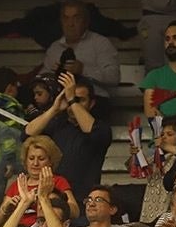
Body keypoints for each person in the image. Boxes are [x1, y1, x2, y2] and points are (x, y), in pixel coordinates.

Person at [24, 72, 112, 205]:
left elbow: (95, 133)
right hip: (51, 200)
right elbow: (27, 135)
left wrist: (72, 100)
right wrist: (54, 108)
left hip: (83, 202)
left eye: (79, 100)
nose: (72, 104)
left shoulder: (100, 127)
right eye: (70, 99)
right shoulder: (56, 124)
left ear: (92, 103)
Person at [0, 135, 81, 227]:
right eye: (31, 158)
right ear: (25, 161)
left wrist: (48, 199)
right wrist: (6, 209)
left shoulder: (58, 181)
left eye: (41, 159)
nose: (35, 163)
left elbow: (75, 212)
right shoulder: (19, 183)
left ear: (50, 161)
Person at [42, 0, 120, 103]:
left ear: (85, 22)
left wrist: (83, 70)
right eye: (66, 18)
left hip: (95, 101)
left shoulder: (100, 43)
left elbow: (113, 77)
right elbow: (42, 79)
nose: (70, 24)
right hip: (62, 102)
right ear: (61, 21)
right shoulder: (54, 48)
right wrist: (53, 75)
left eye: (76, 18)